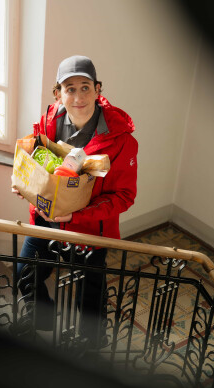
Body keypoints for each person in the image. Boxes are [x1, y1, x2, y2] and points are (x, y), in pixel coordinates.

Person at [11, 55, 138, 346]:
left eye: (85, 87)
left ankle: (93, 341)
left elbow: (124, 196)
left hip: (90, 229)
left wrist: (76, 218)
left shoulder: (121, 140)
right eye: (70, 88)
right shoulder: (49, 121)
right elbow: (37, 166)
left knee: (88, 291)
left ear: (97, 90)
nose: (78, 96)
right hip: (46, 219)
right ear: (58, 93)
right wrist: (25, 185)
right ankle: (40, 317)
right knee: (25, 271)